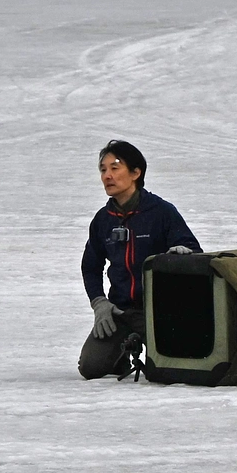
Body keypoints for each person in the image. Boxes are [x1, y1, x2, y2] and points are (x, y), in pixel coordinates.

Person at [79, 140, 202, 379]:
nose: (107, 176)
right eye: (103, 170)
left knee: (165, 372)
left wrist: (180, 254)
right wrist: (100, 304)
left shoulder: (161, 212)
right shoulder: (103, 220)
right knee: (90, 368)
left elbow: (193, 250)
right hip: (120, 311)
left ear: (136, 173)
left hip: (159, 312)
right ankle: (121, 353)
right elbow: (90, 267)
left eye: (115, 168)